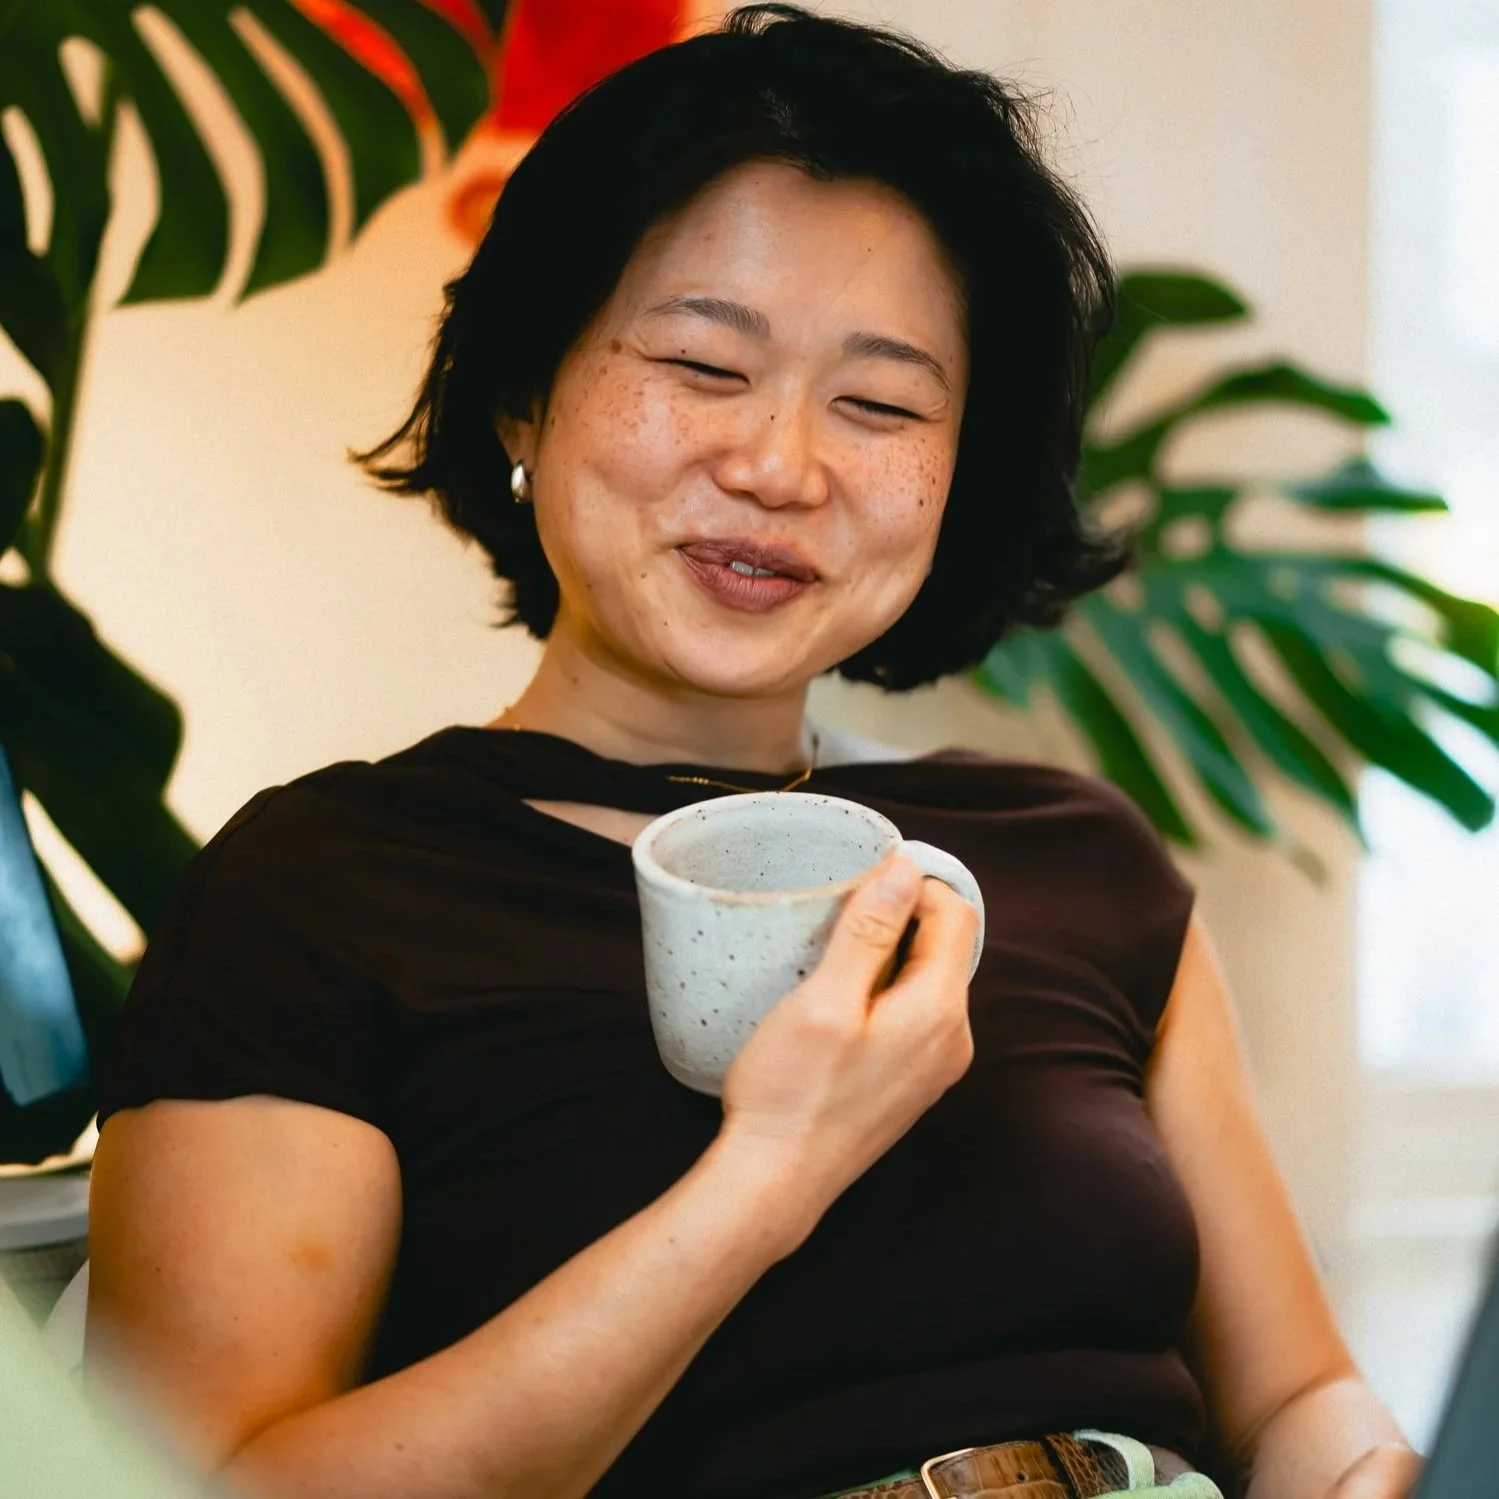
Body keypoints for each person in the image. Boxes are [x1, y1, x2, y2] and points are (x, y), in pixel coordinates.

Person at [85, 8, 1422, 1499]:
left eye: (880, 403)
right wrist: (769, 1170)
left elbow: (1298, 1394)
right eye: (703, 365)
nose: (780, 467)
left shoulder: (1072, 857)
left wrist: (1369, 1471)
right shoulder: (325, 891)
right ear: (526, 388)